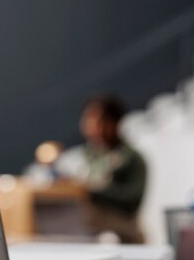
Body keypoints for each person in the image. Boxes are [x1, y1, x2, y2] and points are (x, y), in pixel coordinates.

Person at [55, 93, 147, 243]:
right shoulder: (84, 156)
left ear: (114, 122)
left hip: (122, 235)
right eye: (88, 118)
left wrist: (90, 190)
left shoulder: (131, 158)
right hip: (85, 233)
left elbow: (132, 199)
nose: (91, 125)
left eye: (98, 119)